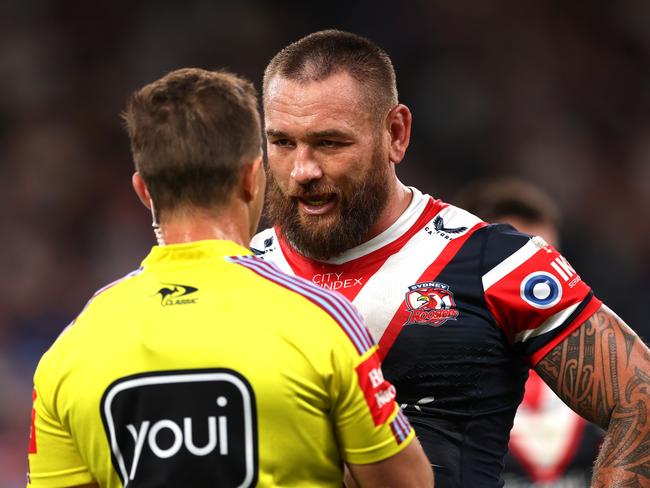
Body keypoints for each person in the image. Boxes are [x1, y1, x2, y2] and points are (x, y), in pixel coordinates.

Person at [251, 29, 650, 487]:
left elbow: (640, 399)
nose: (303, 170)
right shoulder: (240, 274)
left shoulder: (493, 263)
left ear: (395, 134)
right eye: (282, 142)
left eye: (330, 143)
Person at [26, 68, 433, 488]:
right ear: (251, 177)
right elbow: (410, 485)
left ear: (144, 190)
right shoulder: (323, 319)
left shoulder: (72, 349)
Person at [455, 179, 605, 487]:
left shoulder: (603, 376)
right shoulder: (421, 383)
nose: (543, 290)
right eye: (519, 272)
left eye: (552, 268)